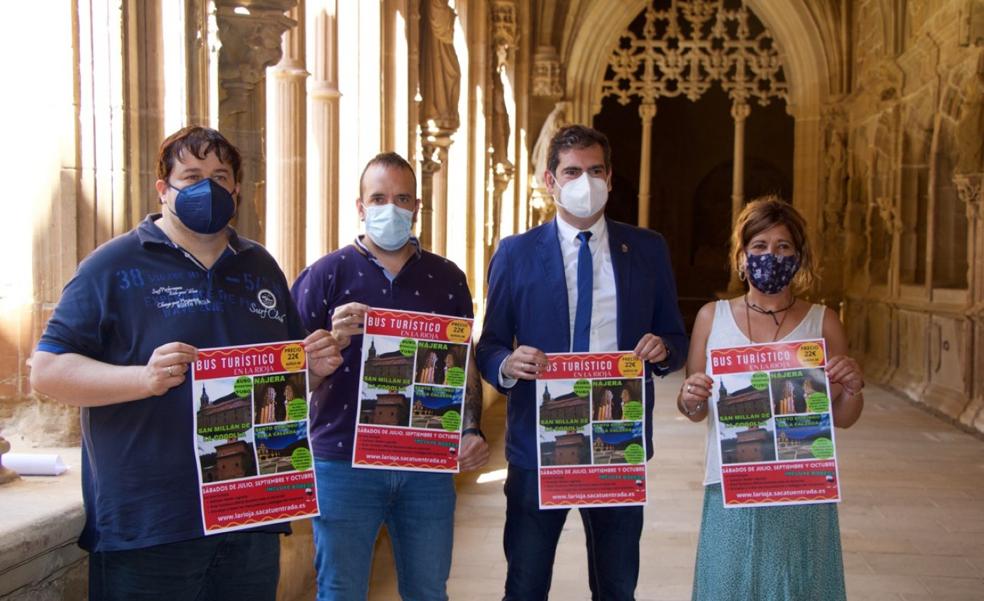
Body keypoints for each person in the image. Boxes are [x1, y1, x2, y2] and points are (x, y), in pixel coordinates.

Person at [29, 126, 344, 601]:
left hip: (250, 512)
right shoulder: (111, 266)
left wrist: (314, 371)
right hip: (152, 523)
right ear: (164, 189)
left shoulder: (260, 266)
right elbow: (46, 371)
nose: (209, 188)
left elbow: (280, 379)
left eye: (220, 176)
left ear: (237, 189)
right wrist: (143, 378)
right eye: (192, 175)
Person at [475, 124, 688, 600]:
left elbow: (675, 336)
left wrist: (662, 350)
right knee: (526, 586)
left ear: (611, 178)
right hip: (537, 445)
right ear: (549, 181)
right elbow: (487, 346)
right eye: (572, 171)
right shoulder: (515, 254)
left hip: (617, 440)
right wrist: (509, 363)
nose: (584, 182)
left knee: (616, 588)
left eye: (594, 170)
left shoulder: (647, 249)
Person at [291, 152, 490, 601]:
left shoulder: (447, 278)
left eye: (402, 198)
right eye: (378, 198)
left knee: (428, 590)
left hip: (427, 464)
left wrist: (471, 426)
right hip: (343, 463)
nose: (391, 208)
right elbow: (285, 379)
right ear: (360, 208)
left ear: (417, 206)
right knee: (340, 591)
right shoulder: (325, 275)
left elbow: (466, 360)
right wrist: (329, 342)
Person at [677, 196, 864, 601]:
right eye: (759, 246)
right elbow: (693, 408)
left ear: (799, 257)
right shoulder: (712, 317)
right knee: (729, 584)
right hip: (730, 481)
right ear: (742, 257)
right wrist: (690, 394)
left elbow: (844, 418)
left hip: (801, 483)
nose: (771, 256)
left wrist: (851, 387)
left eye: (783, 247)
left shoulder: (824, 322)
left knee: (796, 586)